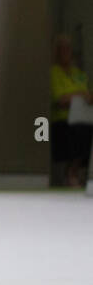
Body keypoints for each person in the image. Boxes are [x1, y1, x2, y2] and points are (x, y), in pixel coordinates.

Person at [50, 32, 92, 188]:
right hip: (62, 121)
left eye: (69, 48)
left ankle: (77, 172)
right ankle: (71, 173)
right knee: (81, 131)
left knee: (86, 129)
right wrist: (80, 95)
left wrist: (84, 95)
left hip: (83, 118)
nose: (67, 52)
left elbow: (88, 94)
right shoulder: (53, 73)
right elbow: (60, 100)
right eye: (63, 49)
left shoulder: (79, 74)